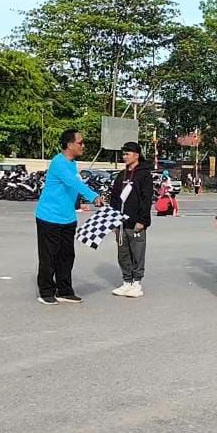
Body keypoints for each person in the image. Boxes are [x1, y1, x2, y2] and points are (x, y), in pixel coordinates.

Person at [34, 128, 104, 305]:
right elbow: (73, 183)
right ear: (70, 144)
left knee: (66, 256)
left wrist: (79, 203)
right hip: (49, 217)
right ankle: (46, 291)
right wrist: (94, 196)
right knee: (49, 256)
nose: (83, 146)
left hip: (67, 218)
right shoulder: (58, 162)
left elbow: (71, 188)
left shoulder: (72, 164)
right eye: (80, 143)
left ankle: (64, 290)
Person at [110, 142, 154, 298]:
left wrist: (142, 220)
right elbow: (114, 198)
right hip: (121, 223)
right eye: (123, 154)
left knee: (137, 252)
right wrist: (113, 220)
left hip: (136, 223)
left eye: (127, 154)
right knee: (123, 253)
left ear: (136, 155)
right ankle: (126, 281)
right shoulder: (121, 175)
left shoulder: (144, 174)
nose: (124, 157)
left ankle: (136, 283)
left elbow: (146, 198)